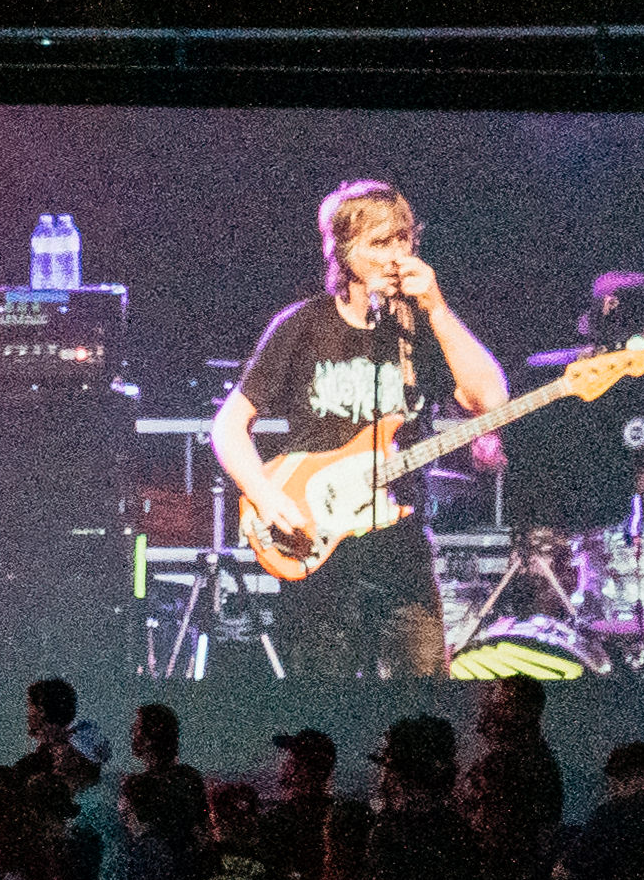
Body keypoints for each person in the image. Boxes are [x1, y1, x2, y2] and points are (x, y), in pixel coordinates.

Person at [211, 176, 522, 689]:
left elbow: (490, 399)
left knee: (424, 695)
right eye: (380, 243)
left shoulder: (420, 330)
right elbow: (228, 425)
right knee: (322, 701)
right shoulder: (302, 326)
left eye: (404, 239)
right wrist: (265, 495)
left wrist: (438, 308)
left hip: (399, 542)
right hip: (316, 538)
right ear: (342, 252)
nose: (396, 254)